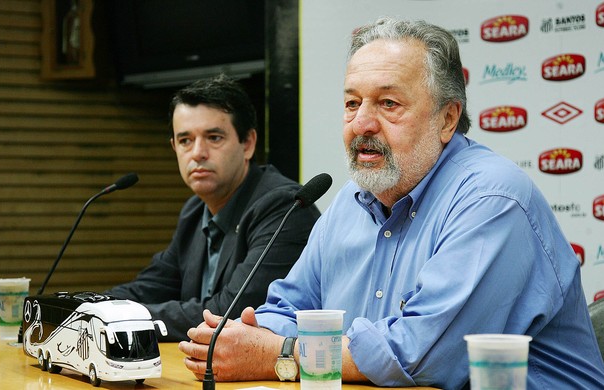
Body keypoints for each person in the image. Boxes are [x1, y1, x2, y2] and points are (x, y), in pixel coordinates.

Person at [179, 18, 604, 389]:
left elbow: (421, 355)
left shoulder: (491, 197)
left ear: (447, 119)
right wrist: (241, 339)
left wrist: (276, 354)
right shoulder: (349, 201)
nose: (362, 123)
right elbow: (287, 310)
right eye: (351, 103)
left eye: (388, 103)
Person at [106, 75, 321, 341]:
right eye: (185, 140)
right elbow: (151, 287)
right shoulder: (195, 211)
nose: (197, 153)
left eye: (214, 137)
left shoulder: (283, 207)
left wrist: (118, 319)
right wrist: (90, 307)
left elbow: (229, 313)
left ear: (248, 144)